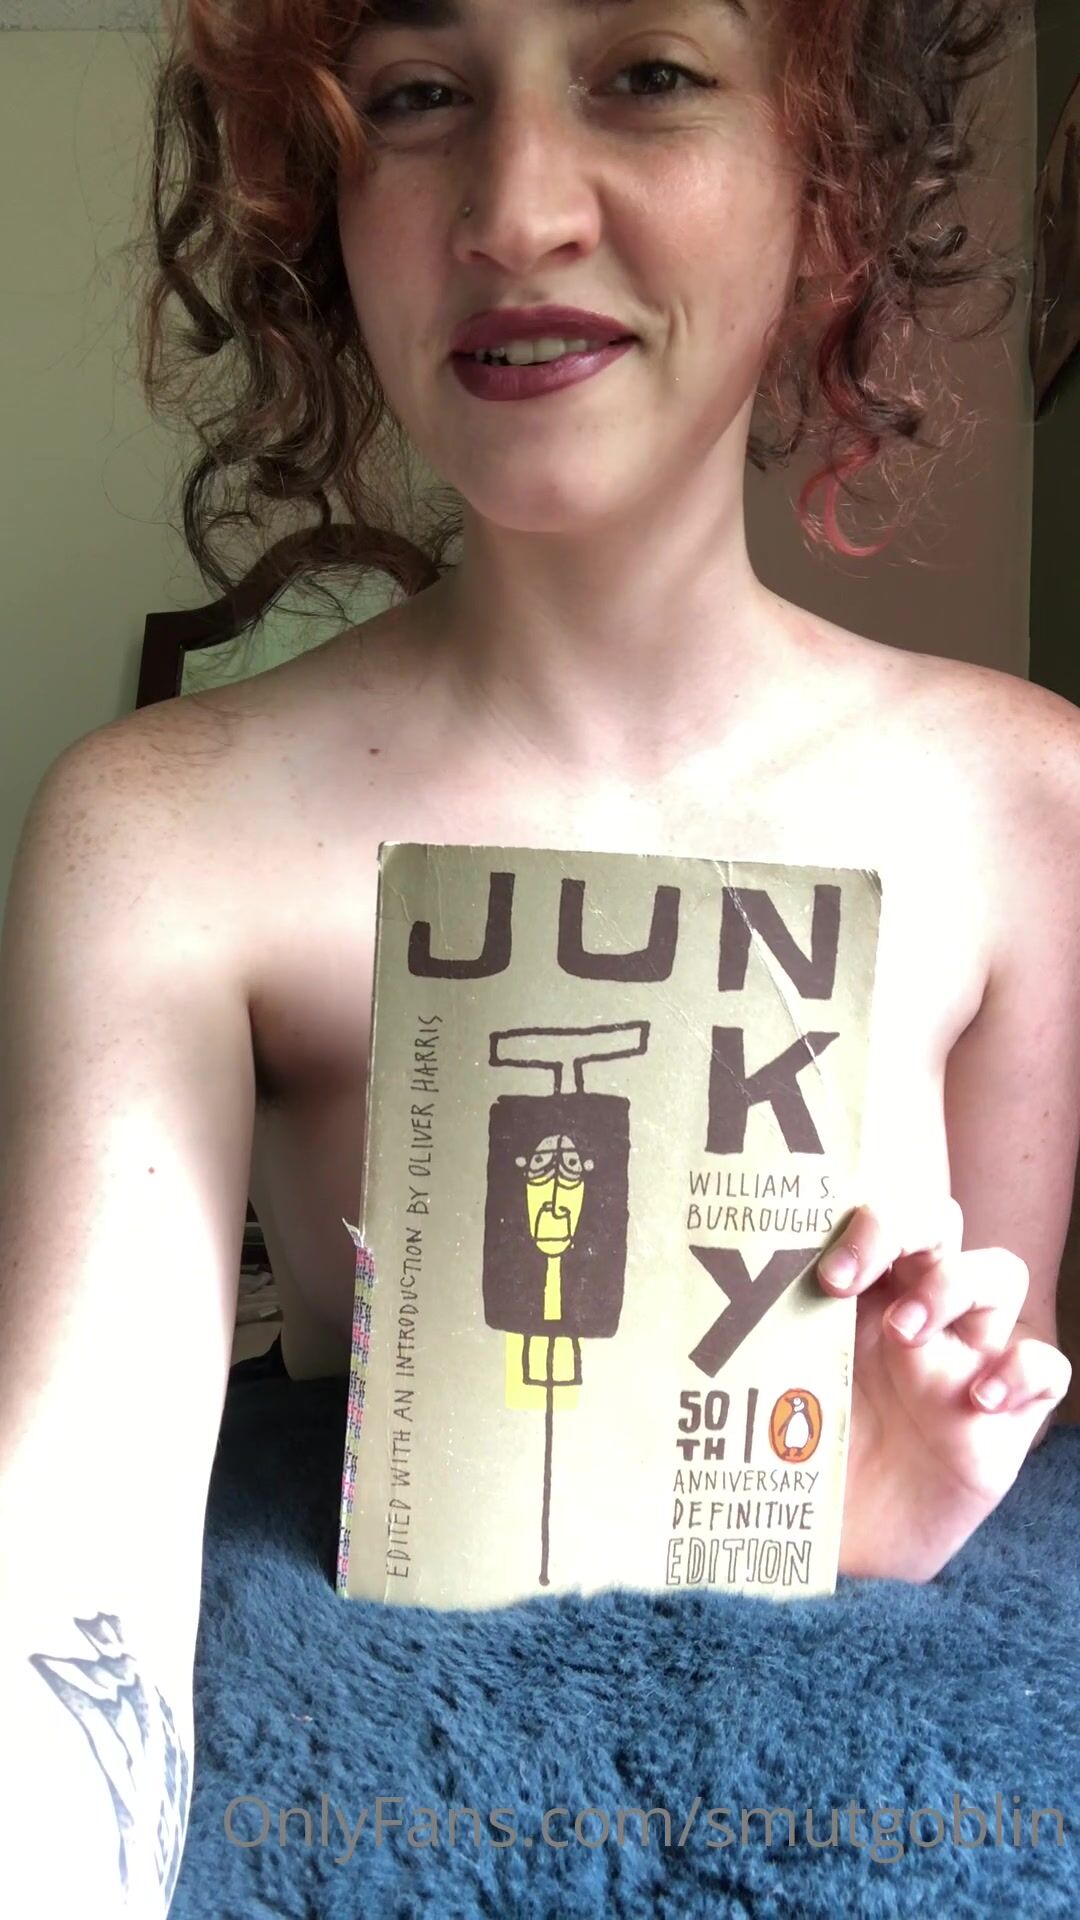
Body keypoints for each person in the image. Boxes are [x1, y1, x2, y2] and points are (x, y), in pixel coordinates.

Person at [1, 0, 1077, 1911]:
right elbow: (66, 1548)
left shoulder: (1033, 804)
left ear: (829, 188)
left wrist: (900, 1471)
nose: (513, 208)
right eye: (418, 98)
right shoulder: (156, 830)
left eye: (649, 75)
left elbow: (1002, 1428)